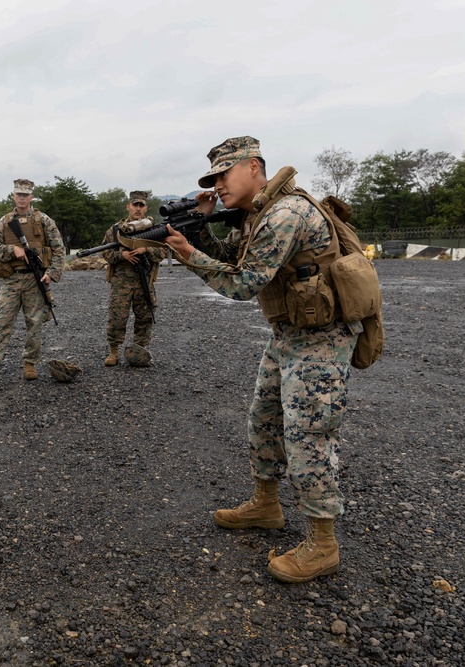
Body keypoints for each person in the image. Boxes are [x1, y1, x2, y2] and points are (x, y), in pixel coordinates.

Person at [163, 136, 361, 583]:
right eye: (211, 178)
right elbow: (230, 258)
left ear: (254, 167)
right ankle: (266, 505)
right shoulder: (256, 215)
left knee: (309, 435)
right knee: (264, 418)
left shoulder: (286, 213)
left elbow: (242, 283)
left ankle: (323, 544)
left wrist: (188, 254)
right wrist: (198, 227)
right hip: (290, 334)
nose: (217, 185)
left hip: (320, 340)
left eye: (224, 175)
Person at [0, 179, 65, 382]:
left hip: (35, 279)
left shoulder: (44, 221)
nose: (22, 198)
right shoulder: (5, 222)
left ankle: (30, 364)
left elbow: (59, 249)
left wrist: (51, 273)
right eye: (18, 194)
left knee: (35, 323)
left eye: (25, 195)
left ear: (31, 197)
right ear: (13, 196)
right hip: (12, 280)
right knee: (1, 322)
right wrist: (12, 250)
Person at [101, 190, 167, 366]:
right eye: (135, 205)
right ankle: (113, 351)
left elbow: (162, 252)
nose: (138, 209)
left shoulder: (153, 230)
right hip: (121, 282)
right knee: (117, 318)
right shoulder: (116, 230)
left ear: (146, 208)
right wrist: (123, 255)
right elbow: (106, 252)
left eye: (141, 205)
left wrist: (147, 250)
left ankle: (139, 349)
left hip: (144, 281)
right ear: (128, 206)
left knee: (145, 317)